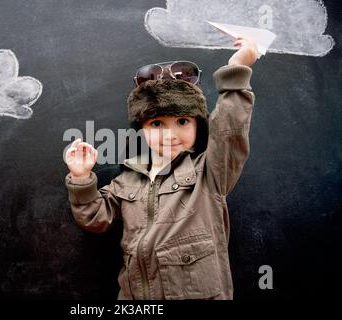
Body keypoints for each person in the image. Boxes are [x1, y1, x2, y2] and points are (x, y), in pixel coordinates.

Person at [63, 37, 258, 300]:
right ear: (142, 130)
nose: (170, 134)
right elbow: (95, 218)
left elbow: (230, 130)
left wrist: (237, 70)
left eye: (181, 121)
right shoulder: (128, 179)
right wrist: (81, 176)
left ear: (198, 125)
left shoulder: (209, 172)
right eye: (156, 124)